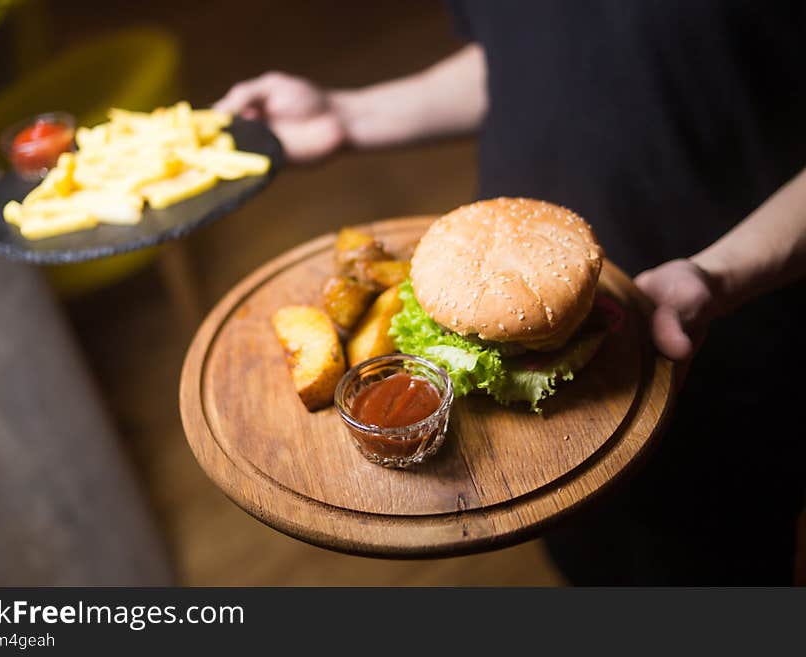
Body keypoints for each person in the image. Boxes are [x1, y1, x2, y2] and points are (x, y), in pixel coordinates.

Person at [214, 1, 806, 584]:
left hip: (727, 323)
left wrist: (720, 273)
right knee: (586, 560)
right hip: (498, 277)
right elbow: (537, 52)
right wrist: (351, 114)